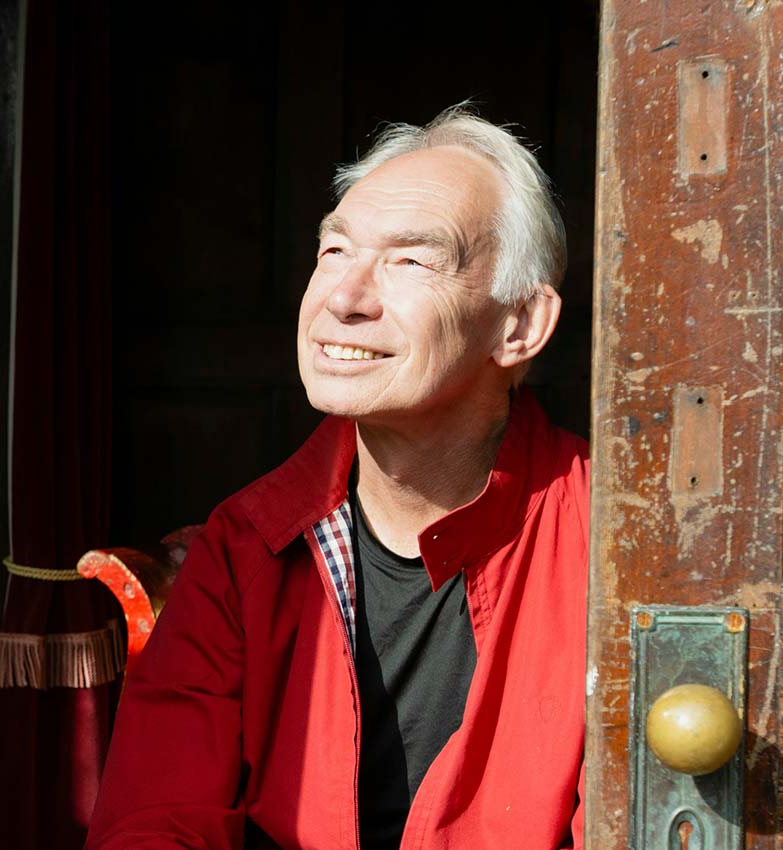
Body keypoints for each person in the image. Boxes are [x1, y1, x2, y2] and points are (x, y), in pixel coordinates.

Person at [87, 105, 588, 850]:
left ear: (517, 326)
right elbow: (155, 818)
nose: (343, 299)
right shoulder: (246, 547)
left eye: (410, 261)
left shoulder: (612, 536)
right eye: (333, 251)